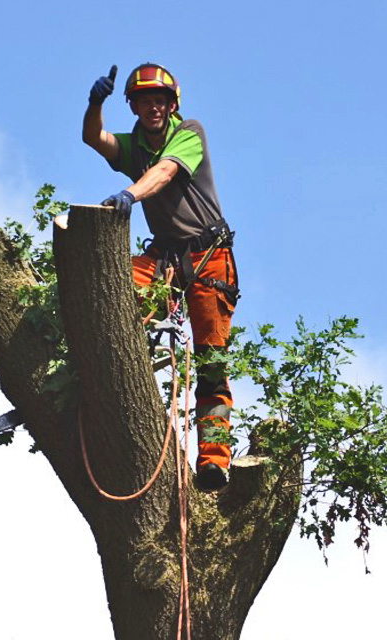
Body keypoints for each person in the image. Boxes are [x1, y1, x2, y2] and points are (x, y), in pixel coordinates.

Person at [82, 63, 239, 491]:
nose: (153, 107)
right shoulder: (133, 146)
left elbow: (166, 171)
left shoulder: (188, 131)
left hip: (208, 258)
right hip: (166, 257)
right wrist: (96, 103)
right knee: (112, 292)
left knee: (211, 363)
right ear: (132, 106)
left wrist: (130, 193)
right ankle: (85, 368)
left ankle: (214, 459)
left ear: (172, 105)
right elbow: (94, 138)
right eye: (144, 100)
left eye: (160, 100)